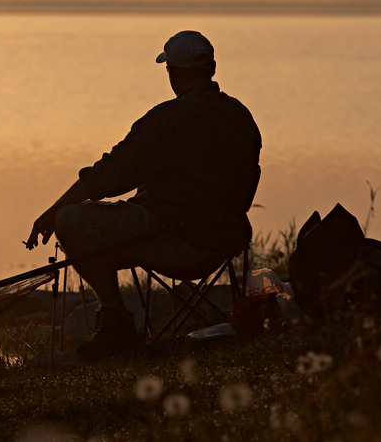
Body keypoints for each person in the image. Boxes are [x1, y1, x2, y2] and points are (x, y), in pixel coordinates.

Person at [24, 30, 261, 360]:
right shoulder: (242, 117)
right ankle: (118, 328)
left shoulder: (167, 120)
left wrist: (53, 210)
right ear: (213, 68)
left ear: (172, 72)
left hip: (178, 241)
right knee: (115, 220)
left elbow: (108, 177)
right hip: (225, 240)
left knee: (72, 220)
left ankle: (116, 324)